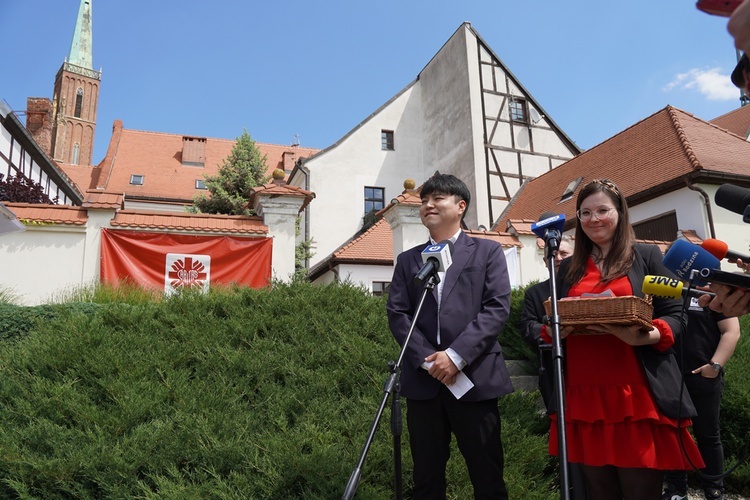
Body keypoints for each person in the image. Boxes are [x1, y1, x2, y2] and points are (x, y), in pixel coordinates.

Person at [542, 178, 704, 499]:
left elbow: (678, 313)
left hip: (635, 393)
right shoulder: (567, 269)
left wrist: (648, 335)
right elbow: (552, 321)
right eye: (585, 213)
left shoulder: (645, 257)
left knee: (640, 491)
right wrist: (555, 328)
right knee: (600, 492)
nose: (594, 219)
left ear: (620, 213)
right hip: (583, 394)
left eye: (603, 210)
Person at [386, 173, 513, 499]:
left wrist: (455, 356)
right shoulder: (408, 260)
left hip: (475, 378)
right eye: (424, 200)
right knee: (426, 480)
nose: (428, 204)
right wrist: (430, 362)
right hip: (424, 384)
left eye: (437, 198)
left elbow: (496, 308)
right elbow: (398, 315)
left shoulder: (487, 252)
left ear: (460, 206)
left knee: (487, 476)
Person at [519, 234, 590, 500]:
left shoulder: (589, 288)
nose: (559, 258)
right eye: (554, 254)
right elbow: (527, 326)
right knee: (568, 447)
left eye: (564, 253)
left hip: (593, 376)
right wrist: (552, 329)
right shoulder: (537, 293)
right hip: (556, 377)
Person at [663, 298, 741, 500]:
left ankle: (714, 489)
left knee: (708, 435)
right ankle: (676, 489)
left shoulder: (711, 291)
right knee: (673, 434)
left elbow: (731, 331)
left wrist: (714, 366)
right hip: (669, 376)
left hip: (703, 377)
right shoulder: (666, 289)